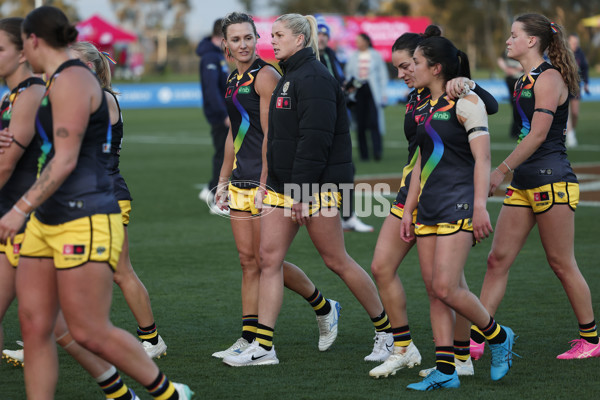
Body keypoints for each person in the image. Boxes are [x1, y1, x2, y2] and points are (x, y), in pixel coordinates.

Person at [0, 7, 192, 399]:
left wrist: (18, 209)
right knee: (35, 325)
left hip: (82, 214)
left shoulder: (72, 81)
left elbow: (66, 159)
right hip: (46, 216)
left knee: (88, 329)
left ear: (32, 43)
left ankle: (168, 393)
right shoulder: (48, 82)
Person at [223, 13, 393, 367]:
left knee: (337, 260)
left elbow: (314, 142)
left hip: (317, 189)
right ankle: (264, 347)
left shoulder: (313, 77)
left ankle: (387, 331)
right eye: (271, 34)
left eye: (279, 34)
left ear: (300, 39)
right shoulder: (290, 76)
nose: (272, 40)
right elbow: (281, 141)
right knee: (268, 260)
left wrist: (300, 193)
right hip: (284, 188)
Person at [369, 27, 500, 380]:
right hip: (413, 193)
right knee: (384, 267)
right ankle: (405, 347)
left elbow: (490, 106)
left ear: (429, 63)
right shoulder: (416, 96)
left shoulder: (452, 92)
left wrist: (467, 83)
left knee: (446, 284)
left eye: (407, 65)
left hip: (447, 196)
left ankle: (460, 357)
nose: (403, 73)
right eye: (398, 67)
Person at [212, 12, 340, 358]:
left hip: (263, 180)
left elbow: (273, 135)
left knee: (266, 260)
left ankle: (322, 306)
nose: (243, 44)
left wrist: (265, 183)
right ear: (225, 44)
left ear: (257, 39)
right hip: (240, 180)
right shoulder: (231, 79)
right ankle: (248, 336)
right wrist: (223, 180)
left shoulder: (266, 76)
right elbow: (233, 132)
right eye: (235, 39)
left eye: (248, 38)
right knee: (248, 261)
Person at [474, 14, 599, 360]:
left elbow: (539, 134)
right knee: (497, 259)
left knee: (561, 263)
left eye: (513, 35)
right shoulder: (523, 80)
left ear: (532, 41)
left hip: (551, 180)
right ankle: (477, 337)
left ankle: (590, 339)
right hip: (525, 182)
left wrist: (499, 171)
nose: (507, 41)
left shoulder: (549, 77)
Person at [400, 36, 515, 390]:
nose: (409, 68)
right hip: (428, 207)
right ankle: (446, 371)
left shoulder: (467, 102)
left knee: (447, 287)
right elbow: (420, 163)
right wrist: (408, 209)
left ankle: (498, 337)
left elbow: (483, 158)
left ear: (436, 67)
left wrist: (480, 205)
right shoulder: (424, 107)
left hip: (459, 203)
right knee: (435, 290)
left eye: (415, 62)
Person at [69, 41, 167, 358]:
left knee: (120, 271)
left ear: (90, 67)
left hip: (106, 194)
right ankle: (45, 336)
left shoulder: (99, 98)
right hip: (88, 195)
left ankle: (151, 340)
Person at [316, 17, 373, 233]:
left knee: (344, 168)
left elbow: (336, 84)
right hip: (323, 122)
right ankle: (340, 216)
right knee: (338, 169)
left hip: (338, 118)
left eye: (324, 34)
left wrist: (346, 89)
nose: (322, 37)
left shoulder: (331, 56)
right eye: (318, 34)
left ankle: (342, 216)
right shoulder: (311, 59)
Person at [196, 18, 230, 213]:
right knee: (224, 155)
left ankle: (210, 189)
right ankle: (218, 200)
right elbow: (211, 90)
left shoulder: (216, 55)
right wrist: (224, 113)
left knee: (223, 153)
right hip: (220, 115)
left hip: (223, 112)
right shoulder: (210, 57)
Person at [345, 33, 388, 161]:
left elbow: (382, 74)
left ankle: (377, 151)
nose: (357, 43)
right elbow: (349, 73)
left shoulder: (375, 55)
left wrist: (383, 93)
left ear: (366, 41)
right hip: (358, 91)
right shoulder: (353, 56)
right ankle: (364, 155)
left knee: (374, 121)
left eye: (359, 41)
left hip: (372, 90)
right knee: (360, 123)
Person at [565, 33, 590, 147]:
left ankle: (571, 131)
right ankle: (570, 135)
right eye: (573, 42)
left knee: (575, 113)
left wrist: (586, 83)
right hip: (564, 86)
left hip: (576, 86)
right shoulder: (563, 53)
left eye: (576, 43)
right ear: (568, 42)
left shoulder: (580, 53)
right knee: (567, 112)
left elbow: (585, 68)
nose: (575, 45)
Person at [497, 54, 523, 139]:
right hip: (517, 78)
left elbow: (500, 60)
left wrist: (508, 69)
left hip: (514, 78)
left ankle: (516, 131)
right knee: (518, 105)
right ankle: (517, 131)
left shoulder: (509, 47)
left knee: (517, 105)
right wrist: (510, 70)